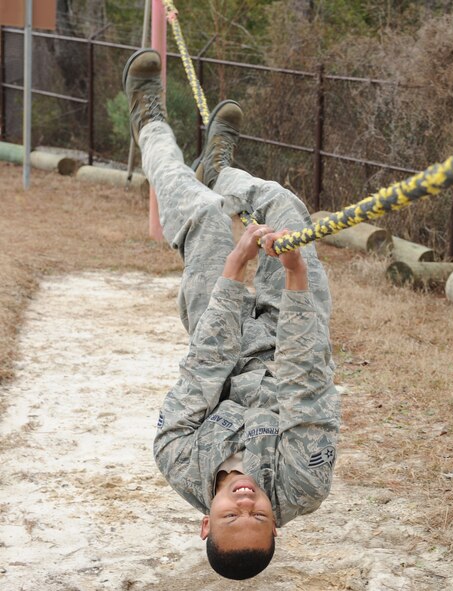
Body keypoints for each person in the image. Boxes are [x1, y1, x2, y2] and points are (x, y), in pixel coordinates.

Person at [123, 48, 340, 580]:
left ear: (205, 521)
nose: (245, 501)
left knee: (199, 215)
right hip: (295, 332)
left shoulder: (176, 459)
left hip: (220, 335)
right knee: (283, 204)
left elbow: (202, 369)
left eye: (230, 514)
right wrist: (293, 276)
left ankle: (148, 120)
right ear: (276, 521)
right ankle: (220, 170)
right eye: (258, 514)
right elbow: (304, 380)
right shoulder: (305, 483)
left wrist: (233, 270)